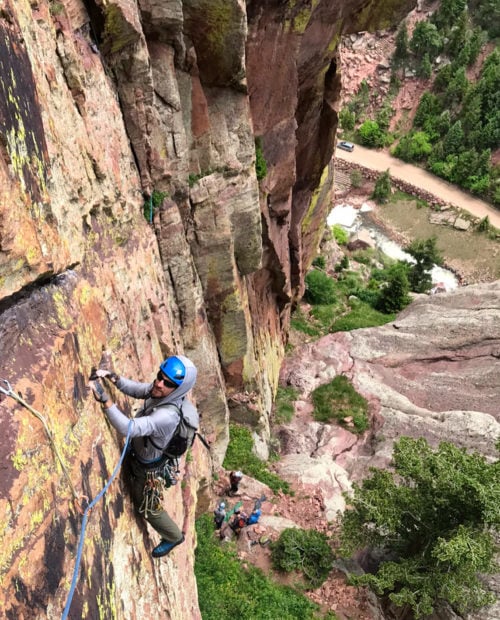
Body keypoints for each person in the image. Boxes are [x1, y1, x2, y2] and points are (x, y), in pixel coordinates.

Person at [90, 354, 198, 558]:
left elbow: (128, 428)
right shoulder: (162, 392)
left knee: (147, 508)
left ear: (179, 389)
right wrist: (113, 377)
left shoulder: (168, 415)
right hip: (140, 452)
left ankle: (174, 536)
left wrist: (105, 399)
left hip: (147, 467)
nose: (158, 383)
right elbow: (138, 389)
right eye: (159, 376)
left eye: (167, 383)